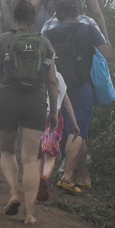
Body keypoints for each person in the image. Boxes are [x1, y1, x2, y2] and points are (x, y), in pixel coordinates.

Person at [0, 0, 59, 225]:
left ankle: (14, 193)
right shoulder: (44, 44)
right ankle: (30, 214)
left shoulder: (3, 40)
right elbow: (52, 82)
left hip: (6, 98)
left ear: (13, 18)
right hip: (35, 100)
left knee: (7, 152)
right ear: (34, 19)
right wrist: (53, 111)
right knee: (30, 159)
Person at [41, 0, 111, 194]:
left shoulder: (48, 32)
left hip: (58, 87)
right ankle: (67, 176)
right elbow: (106, 53)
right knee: (78, 131)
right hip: (82, 87)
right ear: (76, 13)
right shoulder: (87, 29)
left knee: (65, 128)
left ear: (58, 15)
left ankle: (83, 175)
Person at [37, 64, 79, 203]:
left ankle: (36, 183)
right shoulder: (59, 77)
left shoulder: (37, 76)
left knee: (39, 155)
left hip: (37, 116)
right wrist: (74, 123)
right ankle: (45, 177)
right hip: (53, 119)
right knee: (49, 155)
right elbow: (66, 102)